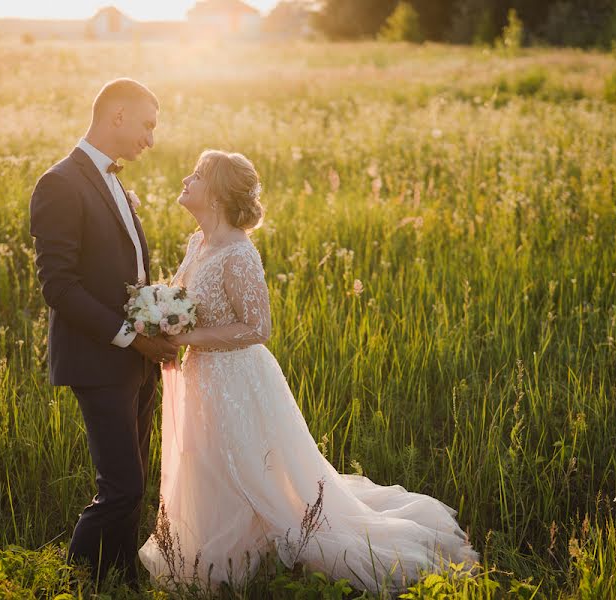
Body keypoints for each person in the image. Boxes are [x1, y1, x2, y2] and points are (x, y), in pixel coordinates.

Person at [138, 150, 478, 593]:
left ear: (218, 196)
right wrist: (161, 315)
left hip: (237, 379)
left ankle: (269, 551)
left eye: (198, 175)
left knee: (251, 466)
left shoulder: (239, 252)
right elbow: (190, 304)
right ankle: (223, 551)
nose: (186, 178)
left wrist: (181, 339)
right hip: (203, 376)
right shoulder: (196, 243)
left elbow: (258, 327)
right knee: (209, 463)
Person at [29, 78, 178, 586]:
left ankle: (119, 581)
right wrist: (132, 336)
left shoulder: (113, 179)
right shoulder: (60, 183)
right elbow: (59, 287)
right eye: (147, 125)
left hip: (137, 357)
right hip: (99, 357)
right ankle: (71, 582)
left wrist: (158, 320)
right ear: (117, 115)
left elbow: (124, 271)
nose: (150, 140)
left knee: (132, 483)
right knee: (122, 488)